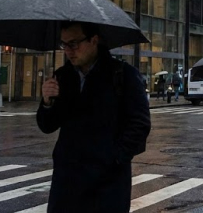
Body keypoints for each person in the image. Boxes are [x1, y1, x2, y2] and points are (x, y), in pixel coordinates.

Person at [37, 22, 151, 212]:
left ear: (94, 40)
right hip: (67, 183)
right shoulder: (62, 76)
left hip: (106, 186)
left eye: (74, 44)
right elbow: (47, 125)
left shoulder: (123, 75)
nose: (68, 51)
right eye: (64, 44)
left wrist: (114, 158)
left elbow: (140, 124)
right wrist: (47, 101)